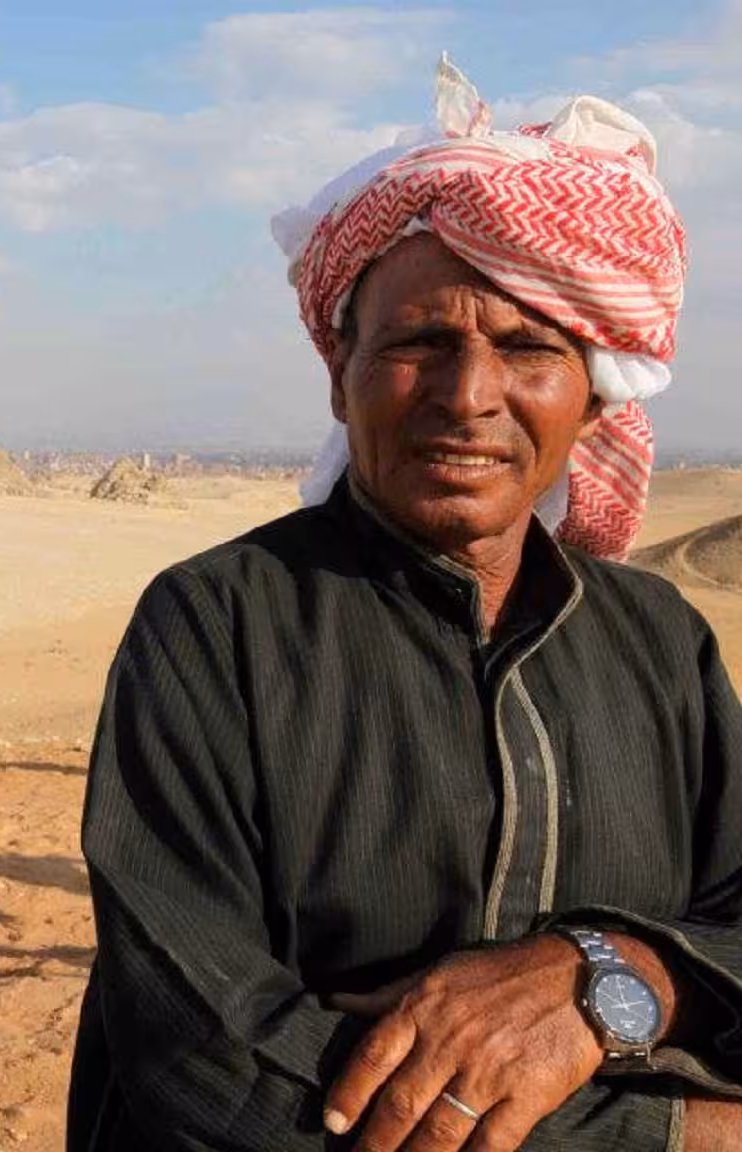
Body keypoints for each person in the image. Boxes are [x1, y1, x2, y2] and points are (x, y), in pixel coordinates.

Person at [67, 58, 742, 1151]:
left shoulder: (658, 644)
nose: (468, 394)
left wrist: (612, 975)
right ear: (341, 376)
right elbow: (203, 1051)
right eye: (420, 341)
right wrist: (669, 1136)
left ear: (594, 393)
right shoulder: (216, 626)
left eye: (529, 347)